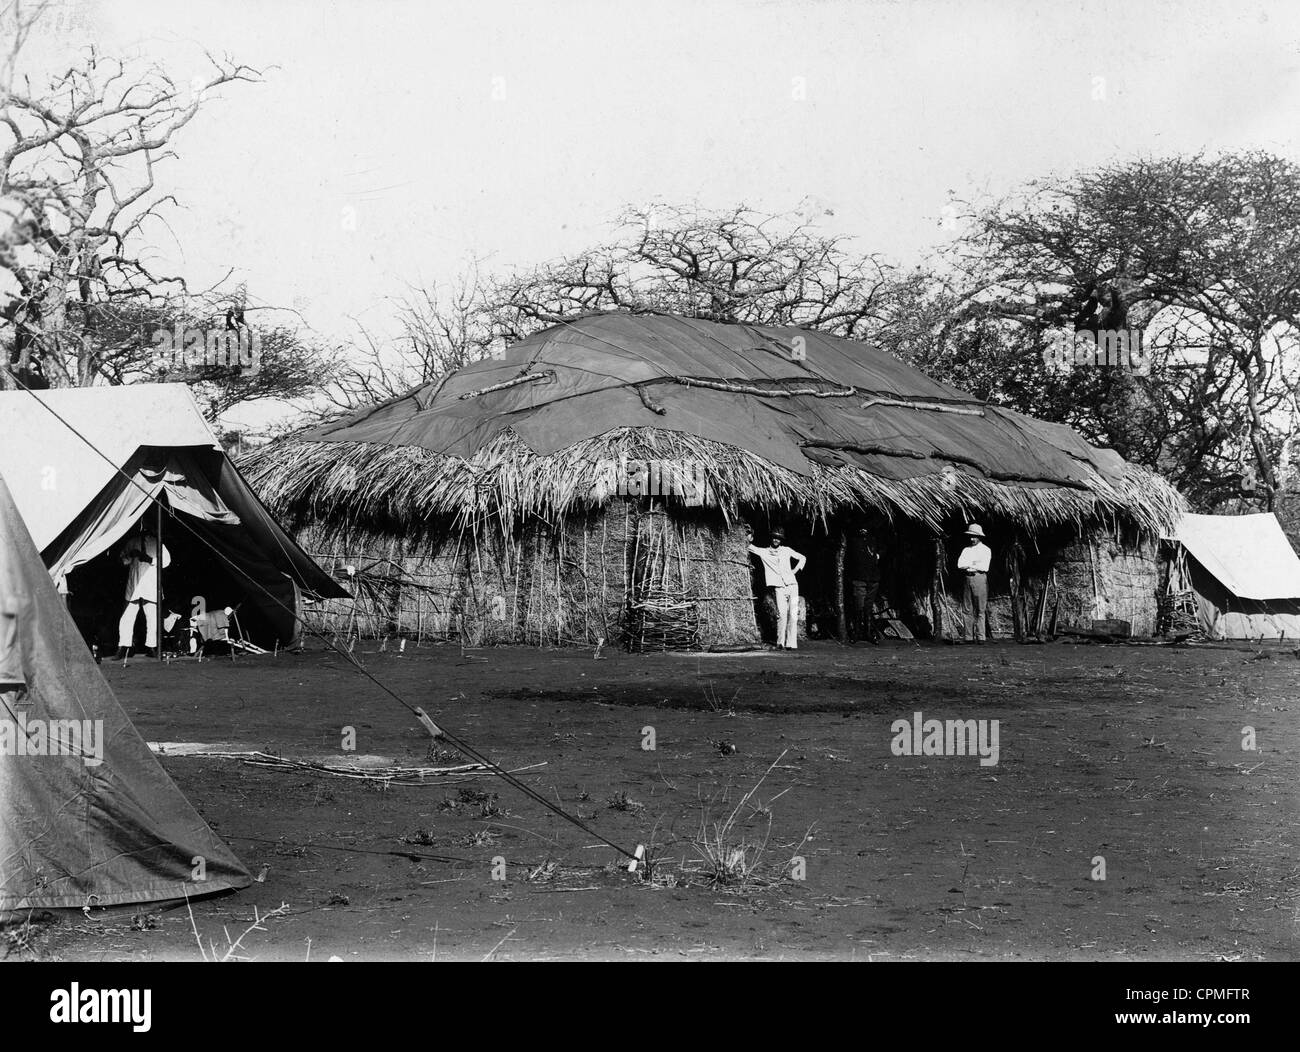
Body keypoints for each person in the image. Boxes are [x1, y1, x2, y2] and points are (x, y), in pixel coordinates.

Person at [746, 527, 806, 650]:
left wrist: (794, 571)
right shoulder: (765, 552)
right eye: (774, 537)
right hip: (779, 587)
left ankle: (791, 644)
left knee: (793, 614)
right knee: (781, 614)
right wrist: (748, 537)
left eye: (778, 538)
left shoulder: (786, 550)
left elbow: (802, 558)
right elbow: (750, 547)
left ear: (781, 540)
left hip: (793, 585)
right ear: (771, 538)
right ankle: (780, 642)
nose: (776, 540)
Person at [116, 530, 171, 659]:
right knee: (126, 618)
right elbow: (123, 559)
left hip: (150, 585)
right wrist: (130, 555)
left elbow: (166, 562)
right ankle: (124, 647)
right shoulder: (132, 542)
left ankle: (151, 647)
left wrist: (150, 559)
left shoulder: (157, 543)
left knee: (152, 618)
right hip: (134, 584)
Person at [845, 525, 882, 644]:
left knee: (868, 607)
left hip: (873, 578)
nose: (863, 529)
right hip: (859, 578)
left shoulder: (875, 539)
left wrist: (878, 555)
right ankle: (857, 632)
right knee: (859, 606)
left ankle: (868, 633)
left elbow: (884, 548)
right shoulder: (852, 540)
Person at [957, 523, 991, 643]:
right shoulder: (966, 550)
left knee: (980, 609)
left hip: (979, 577)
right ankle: (968, 637)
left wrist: (970, 564)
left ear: (979, 537)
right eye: (971, 536)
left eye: (974, 536)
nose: (972, 539)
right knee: (967, 608)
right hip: (967, 578)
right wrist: (974, 563)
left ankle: (981, 636)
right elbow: (960, 564)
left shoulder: (986, 550)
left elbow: (984, 567)